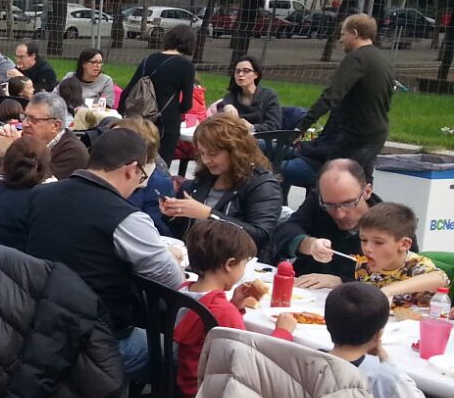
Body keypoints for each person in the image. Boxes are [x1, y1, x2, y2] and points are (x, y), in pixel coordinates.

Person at [21, 128, 185, 380]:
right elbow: (173, 281)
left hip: (37, 323)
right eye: (141, 176)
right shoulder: (127, 218)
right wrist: (171, 257)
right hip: (95, 342)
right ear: (131, 169)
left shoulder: (41, 194)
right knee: (181, 352)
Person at [173, 219, 296, 398]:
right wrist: (283, 332)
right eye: (244, 265)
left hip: (185, 383)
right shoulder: (223, 311)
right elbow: (250, 361)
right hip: (212, 397)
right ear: (230, 264)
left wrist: (235, 304)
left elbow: (207, 324)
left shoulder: (184, 290)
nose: (243, 271)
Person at [286, 13, 395, 187]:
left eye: (343, 34)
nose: (340, 39)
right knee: (361, 184)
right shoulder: (384, 60)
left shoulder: (356, 58)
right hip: (377, 134)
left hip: (355, 136)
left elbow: (331, 96)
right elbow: (386, 101)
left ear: (354, 34)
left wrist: (301, 127)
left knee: (332, 182)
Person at [159, 112, 283, 252]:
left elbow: (260, 236)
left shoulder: (263, 185)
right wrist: (172, 214)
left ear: (236, 151)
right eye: (202, 153)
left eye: (213, 154)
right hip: (196, 255)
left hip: (236, 259)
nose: (206, 160)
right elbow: (180, 231)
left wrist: (209, 215)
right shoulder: (205, 178)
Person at [269, 159, 392, 287]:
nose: (339, 214)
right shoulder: (319, 202)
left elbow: (396, 280)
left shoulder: (391, 224)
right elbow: (285, 232)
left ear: (367, 192)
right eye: (330, 205)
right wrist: (308, 244)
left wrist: (342, 281)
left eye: (348, 203)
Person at [120, 22, 197, 164]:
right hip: (166, 121)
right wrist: (178, 110)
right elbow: (187, 104)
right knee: (161, 164)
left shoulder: (148, 59)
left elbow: (129, 90)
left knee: (137, 161)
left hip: (141, 119)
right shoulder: (186, 67)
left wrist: (122, 112)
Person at [354, 202, 445, 308]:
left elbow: (440, 279)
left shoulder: (415, 264)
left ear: (404, 244)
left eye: (378, 242)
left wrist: (388, 290)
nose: (367, 248)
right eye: (364, 240)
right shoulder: (363, 266)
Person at [0, 91, 87, 180]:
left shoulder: (73, 152)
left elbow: (32, 184)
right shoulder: (29, 139)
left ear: (55, 126)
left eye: (33, 120)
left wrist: (14, 151)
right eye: (24, 117)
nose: (25, 124)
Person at [109, 115, 175, 232]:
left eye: (115, 141)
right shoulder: (106, 168)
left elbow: (157, 230)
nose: (106, 144)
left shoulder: (158, 183)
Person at [211, 54, 282, 130]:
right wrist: (226, 106)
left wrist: (251, 127)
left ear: (256, 75)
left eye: (246, 71)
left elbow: (274, 126)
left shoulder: (269, 96)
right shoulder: (232, 96)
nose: (240, 74)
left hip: (260, 136)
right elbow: (219, 116)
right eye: (237, 71)